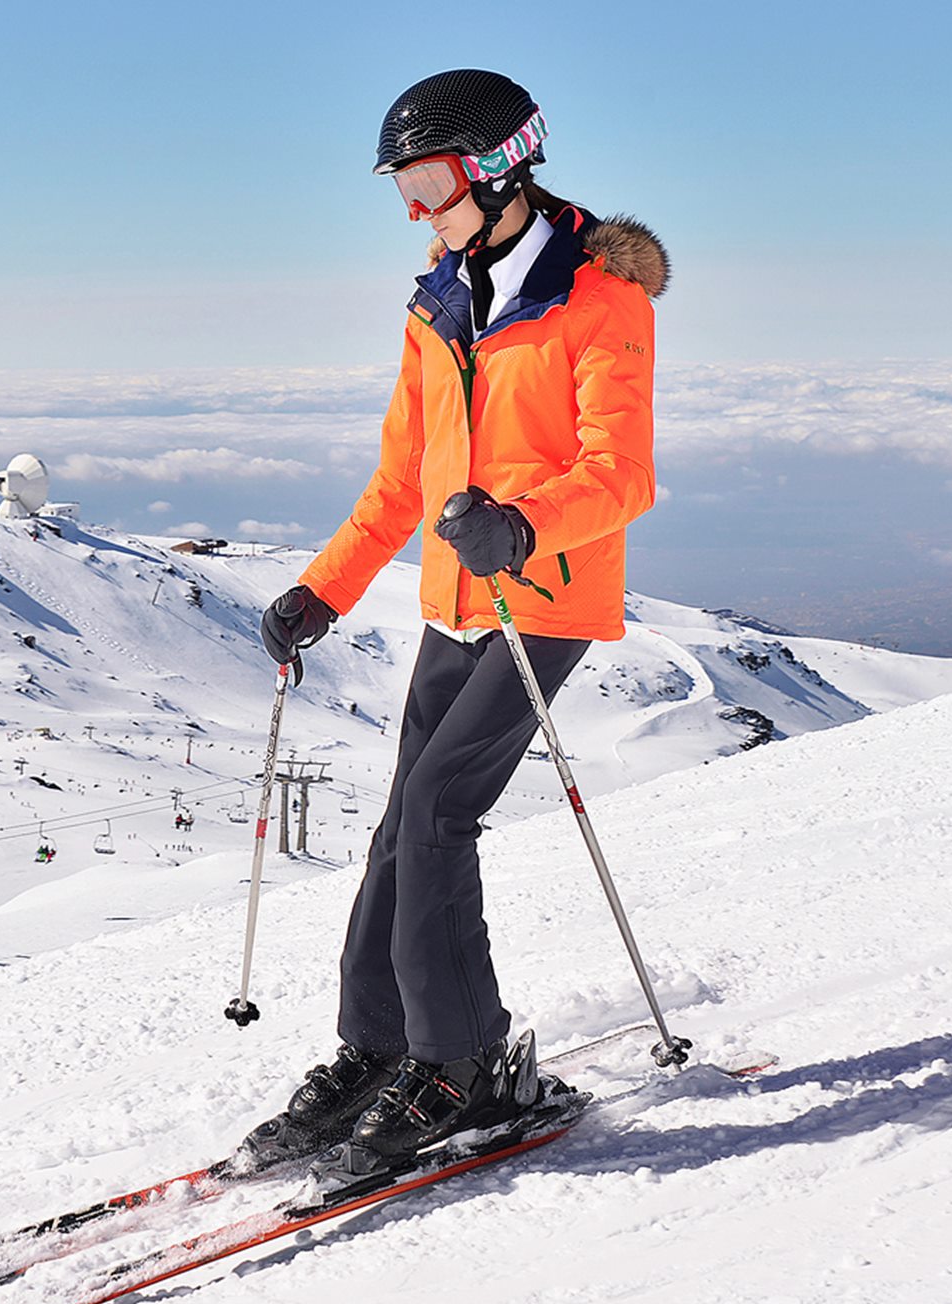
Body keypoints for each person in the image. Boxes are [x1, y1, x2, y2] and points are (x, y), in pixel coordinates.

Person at [247, 68, 664, 1188]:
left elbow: (620, 477)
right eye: (402, 189)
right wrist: (321, 590)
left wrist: (523, 528)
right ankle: (377, 1046)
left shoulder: (597, 300)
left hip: (544, 598)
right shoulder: (437, 304)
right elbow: (402, 478)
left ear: (496, 167)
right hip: (453, 602)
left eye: (429, 182)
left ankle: (466, 1063)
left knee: (437, 810)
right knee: (398, 822)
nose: (415, 210)